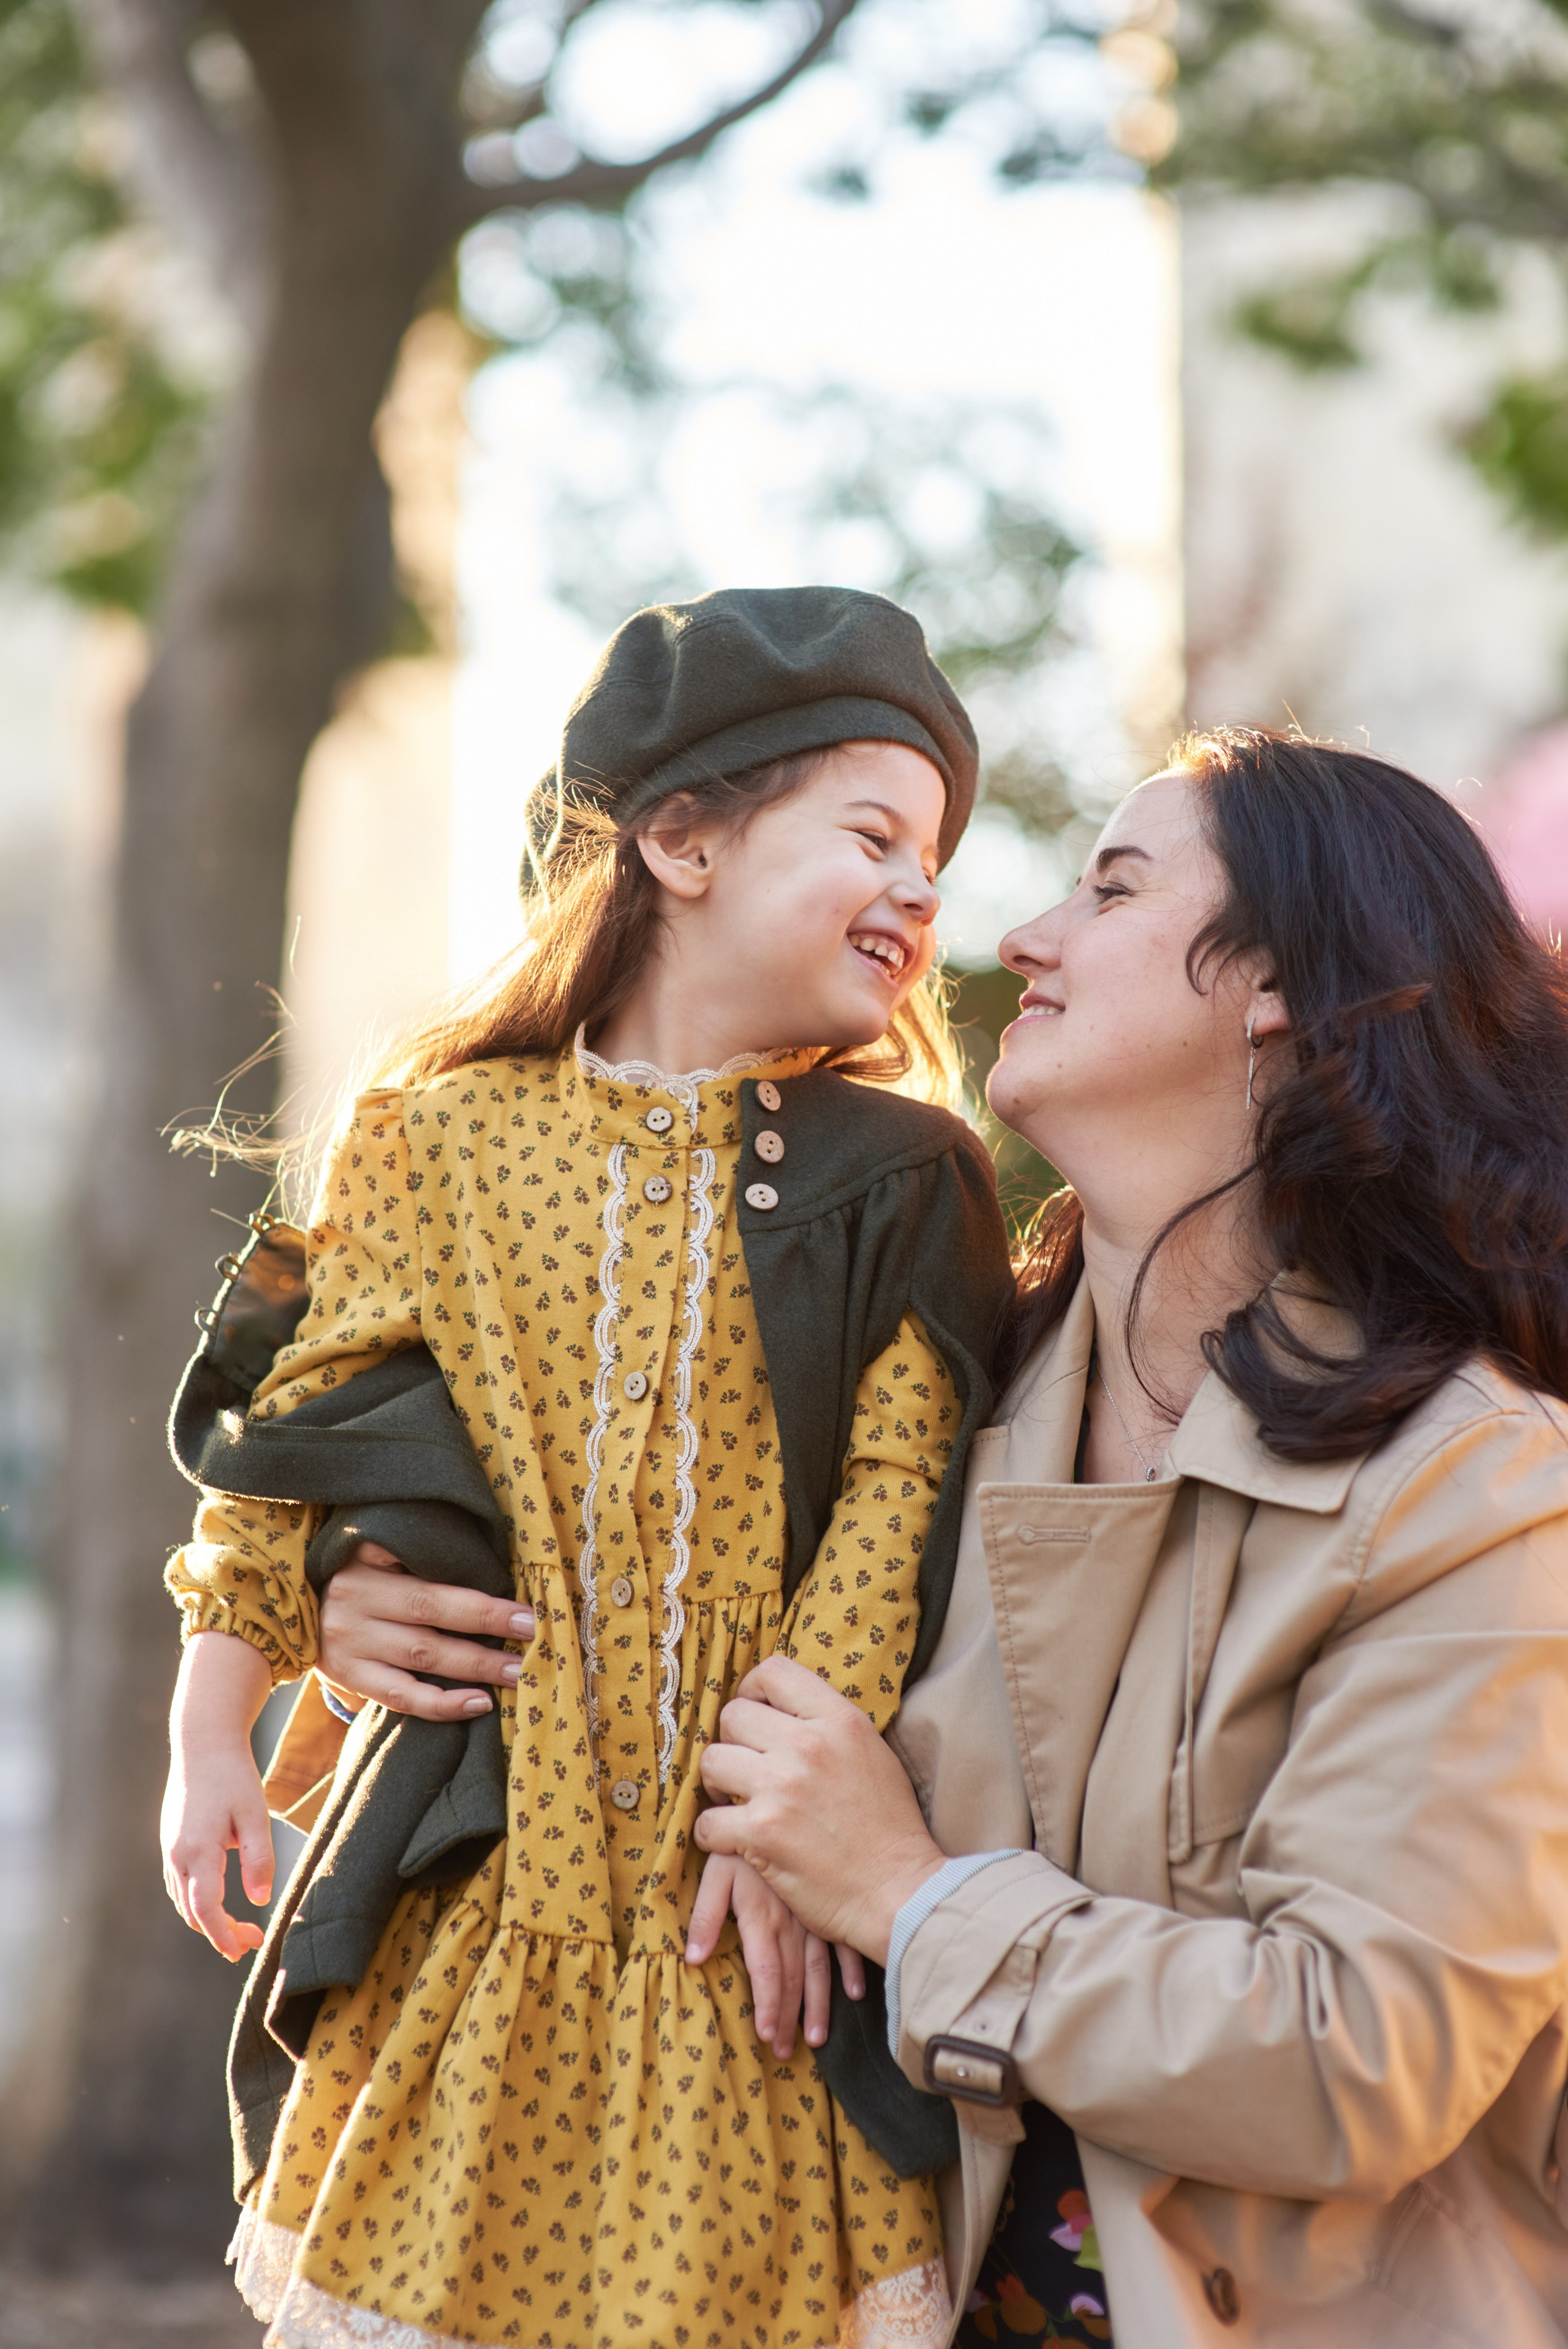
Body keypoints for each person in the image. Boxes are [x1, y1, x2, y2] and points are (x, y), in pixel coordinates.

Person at [158, 586, 1015, 2349]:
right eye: (875, 832)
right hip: (490, 1901)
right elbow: (296, 1431)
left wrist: (791, 1806)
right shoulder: (437, 1130)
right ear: (683, 837)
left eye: (936, 855)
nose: (925, 888)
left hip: (742, 1926)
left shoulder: (907, 1174)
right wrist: (210, 1721)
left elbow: (901, 1490)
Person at [691, 729, 1568, 2348]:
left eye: (1111, 886)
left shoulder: (1478, 1489)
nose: (1020, 935)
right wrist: (377, 1590)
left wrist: (914, 1896)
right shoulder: (938, 1413)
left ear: (1283, 984)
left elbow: (1358, 2051)